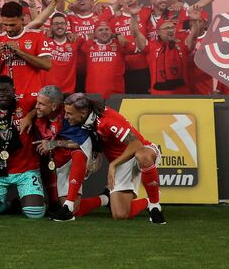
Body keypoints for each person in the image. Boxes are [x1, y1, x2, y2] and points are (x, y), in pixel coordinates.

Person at [64, 92, 166, 224]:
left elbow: (136, 143)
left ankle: (154, 204)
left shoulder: (107, 120)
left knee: (143, 156)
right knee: (120, 214)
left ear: (83, 112)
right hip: (122, 162)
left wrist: (113, 165)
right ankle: (143, 202)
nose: (66, 117)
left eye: (69, 114)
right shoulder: (87, 121)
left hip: (138, 150)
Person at [0, 76, 45, 219]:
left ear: (14, 90)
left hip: (26, 170)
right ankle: (9, 205)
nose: (2, 94)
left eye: (6, 91)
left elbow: (48, 99)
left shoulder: (26, 101)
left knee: (34, 214)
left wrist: (30, 115)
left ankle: (28, 202)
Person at [32, 86, 104, 222]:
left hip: (76, 160)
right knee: (69, 208)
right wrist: (28, 116)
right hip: (58, 161)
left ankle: (103, 199)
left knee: (72, 210)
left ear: (54, 106)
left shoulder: (70, 117)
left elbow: (82, 144)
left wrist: (53, 144)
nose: (36, 107)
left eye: (41, 104)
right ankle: (105, 198)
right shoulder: (42, 114)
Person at [0, 2, 53, 95]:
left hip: (31, 96)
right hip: (7, 98)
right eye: (5, 25)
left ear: (22, 19)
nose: (8, 29)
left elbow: (47, 65)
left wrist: (21, 52)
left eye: (12, 25)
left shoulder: (37, 35)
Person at [76, 19, 137, 99]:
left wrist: (118, 36)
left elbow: (132, 49)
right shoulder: (88, 46)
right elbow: (78, 47)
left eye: (107, 29)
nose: (104, 32)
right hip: (93, 93)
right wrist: (90, 38)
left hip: (116, 94)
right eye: (100, 30)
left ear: (111, 32)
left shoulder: (118, 44)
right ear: (95, 34)